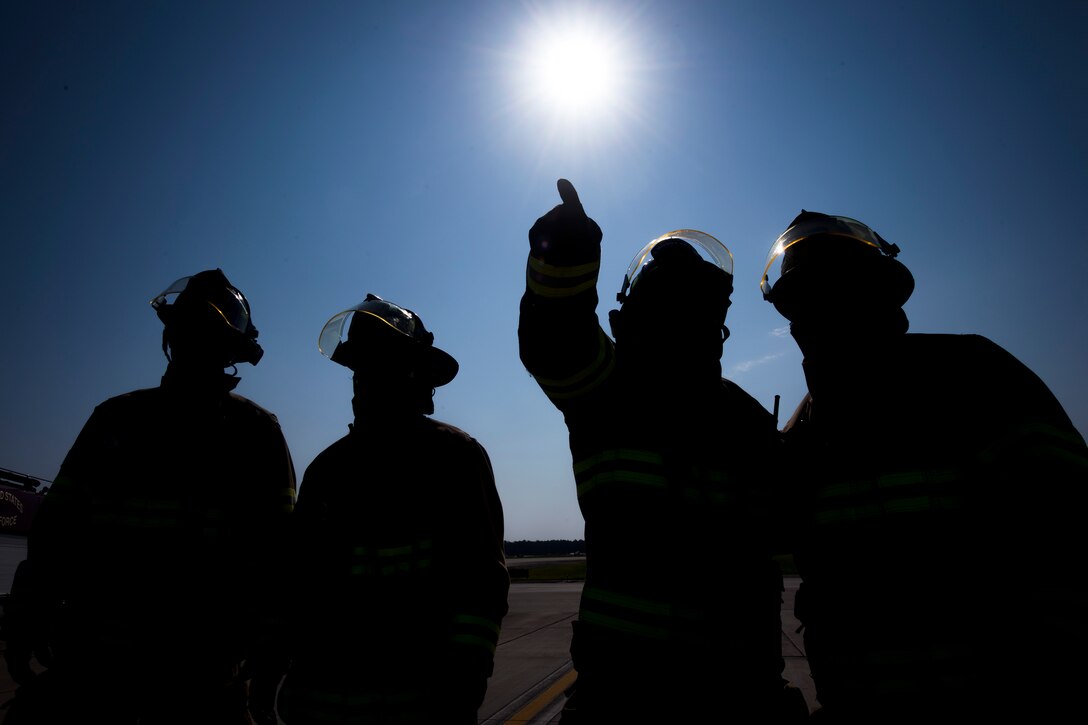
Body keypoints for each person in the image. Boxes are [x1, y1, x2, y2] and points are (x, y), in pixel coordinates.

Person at [761, 211, 1088, 722]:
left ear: (880, 294)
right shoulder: (805, 429)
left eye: (840, 291)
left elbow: (1073, 535)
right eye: (805, 301)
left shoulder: (975, 376)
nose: (822, 315)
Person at [519, 179, 806, 722]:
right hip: (629, 696)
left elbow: (795, 519)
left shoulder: (740, 418)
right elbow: (553, 337)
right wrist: (567, 249)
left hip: (737, 695)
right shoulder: (608, 392)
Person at [2, 268, 297, 724]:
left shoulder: (251, 432)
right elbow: (55, 532)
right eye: (188, 330)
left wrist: (270, 649)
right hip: (99, 667)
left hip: (197, 674)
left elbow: (279, 554)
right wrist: (28, 614)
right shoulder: (117, 419)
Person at [270, 293, 509, 725]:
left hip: (421, 708)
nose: (366, 380)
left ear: (413, 373)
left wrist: (461, 686)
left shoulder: (454, 458)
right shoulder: (327, 471)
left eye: (381, 365)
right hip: (323, 707)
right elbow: (297, 586)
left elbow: (481, 588)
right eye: (361, 367)